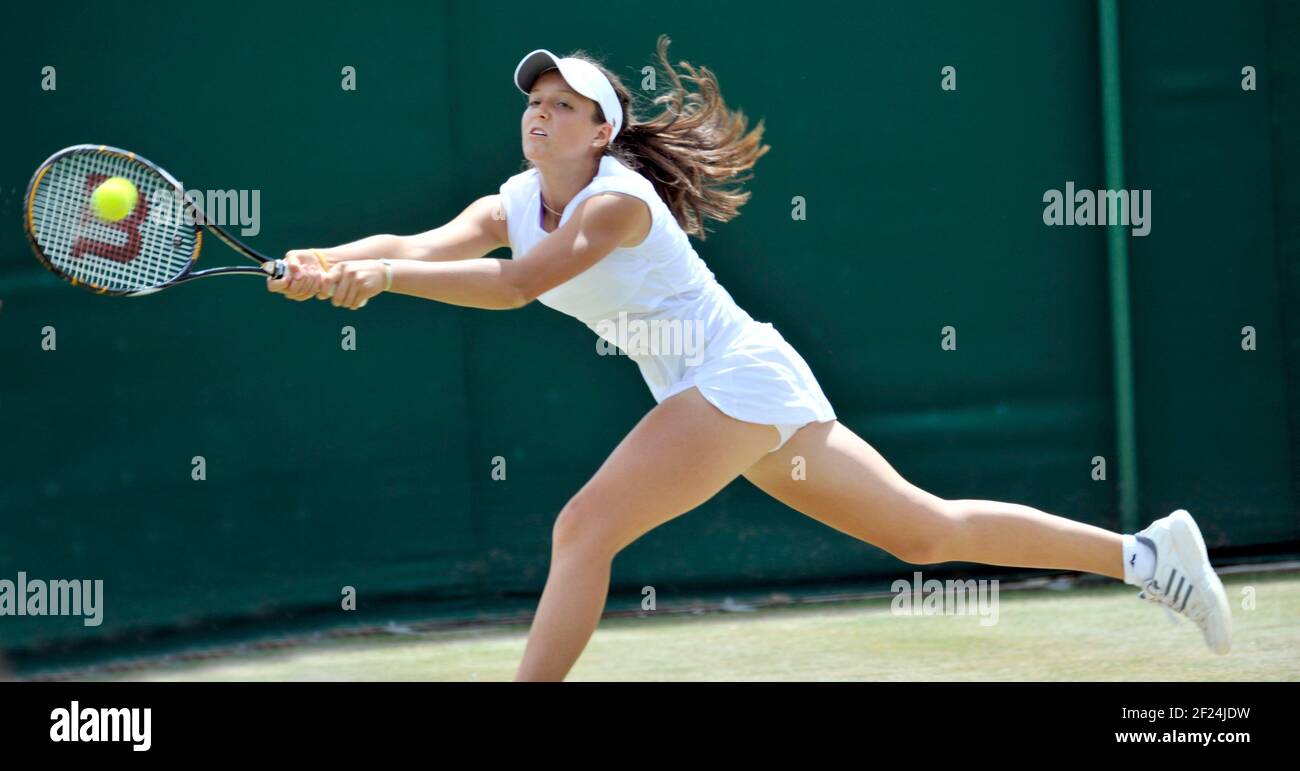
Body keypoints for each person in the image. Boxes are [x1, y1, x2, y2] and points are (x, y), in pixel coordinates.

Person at [267, 36, 1232, 681]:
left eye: (565, 106)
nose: (542, 114)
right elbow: (428, 240)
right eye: (536, 102)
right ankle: (1149, 555)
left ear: (602, 131)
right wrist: (325, 264)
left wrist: (384, 279)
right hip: (739, 386)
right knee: (926, 535)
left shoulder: (615, 201)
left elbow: (518, 284)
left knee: (582, 530)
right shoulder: (512, 199)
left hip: (731, 378)